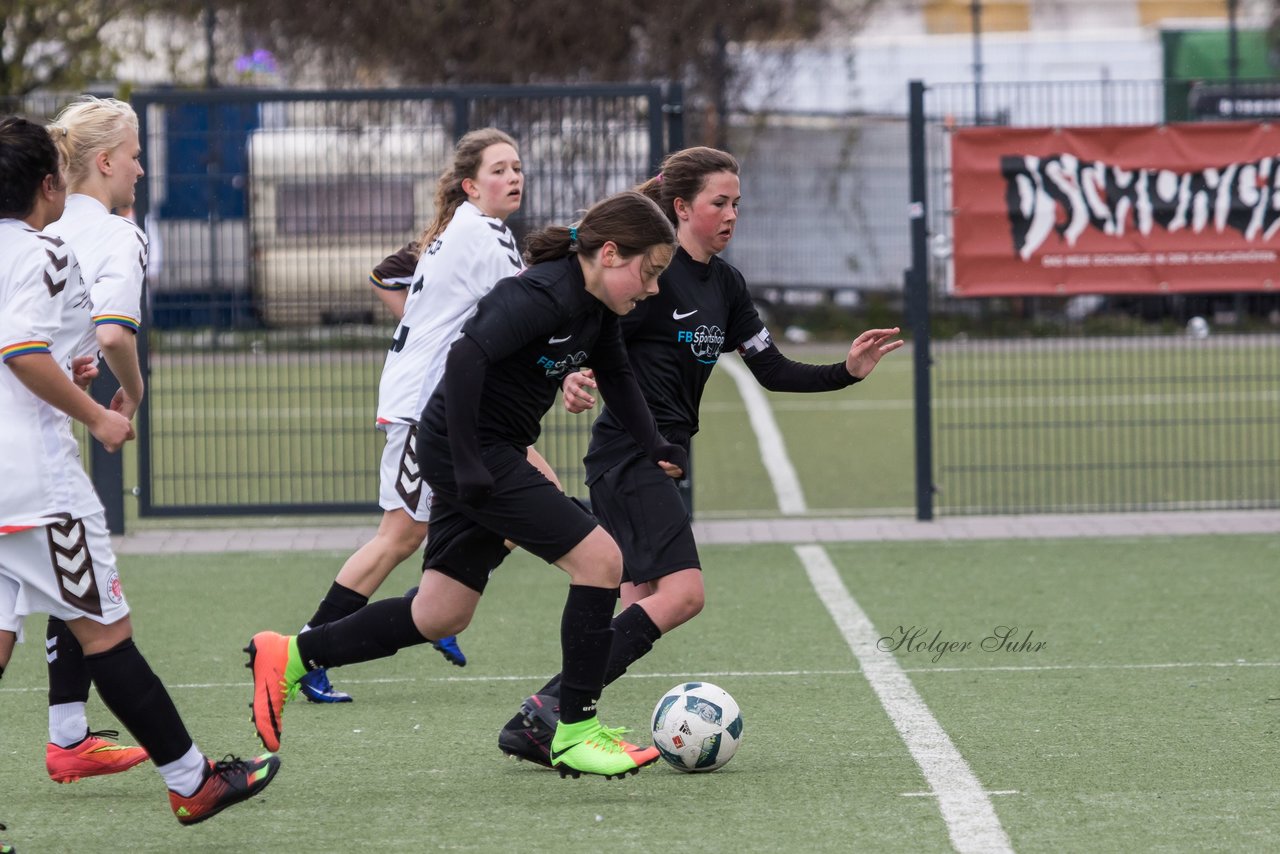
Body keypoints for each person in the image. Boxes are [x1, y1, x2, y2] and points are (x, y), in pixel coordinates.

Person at [245, 190, 686, 780]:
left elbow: (619, 378)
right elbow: (465, 360)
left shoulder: (597, 306)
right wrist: (468, 465)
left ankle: (291, 653)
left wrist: (654, 443)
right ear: (609, 253)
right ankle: (574, 728)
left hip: (485, 451)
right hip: (469, 450)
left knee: (440, 612)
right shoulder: (543, 292)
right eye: (650, 272)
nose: (653, 288)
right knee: (603, 561)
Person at [497, 146, 904, 766]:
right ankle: (548, 713)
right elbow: (587, 336)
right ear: (682, 207)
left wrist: (845, 372)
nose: (731, 214)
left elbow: (771, 369)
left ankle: (550, 715)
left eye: (738, 203)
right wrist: (571, 377)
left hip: (660, 456)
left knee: (636, 605)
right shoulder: (651, 277)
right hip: (628, 453)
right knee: (683, 594)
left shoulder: (728, 285)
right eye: (720, 202)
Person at [0, 114, 279, 827]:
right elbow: (22, 353)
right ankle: (193, 780)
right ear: (49, 184)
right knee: (105, 634)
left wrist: (64, 361)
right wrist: (97, 414)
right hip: (36, 485)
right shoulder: (44, 251)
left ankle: (119, 752)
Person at [292, 128, 560, 702]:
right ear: (470, 184)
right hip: (424, 407)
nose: (513, 177)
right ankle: (309, 648)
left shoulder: (475, 229)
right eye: (499, 169)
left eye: (517, 167)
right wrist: (576, 365)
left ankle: (438, 601)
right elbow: (529, 316)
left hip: (446, 406)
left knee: (537, 492)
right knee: (400, 533)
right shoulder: (481, 236)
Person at [3, 96, 152, 787]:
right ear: (103, 162)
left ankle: (70, 734)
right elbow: (115, 331)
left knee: (44, 594)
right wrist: (127, 395)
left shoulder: (24, 232)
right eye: (134, 154)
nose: (142, 168)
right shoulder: (114, 235)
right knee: (90, 594)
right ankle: (190, 776)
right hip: (29, 445)